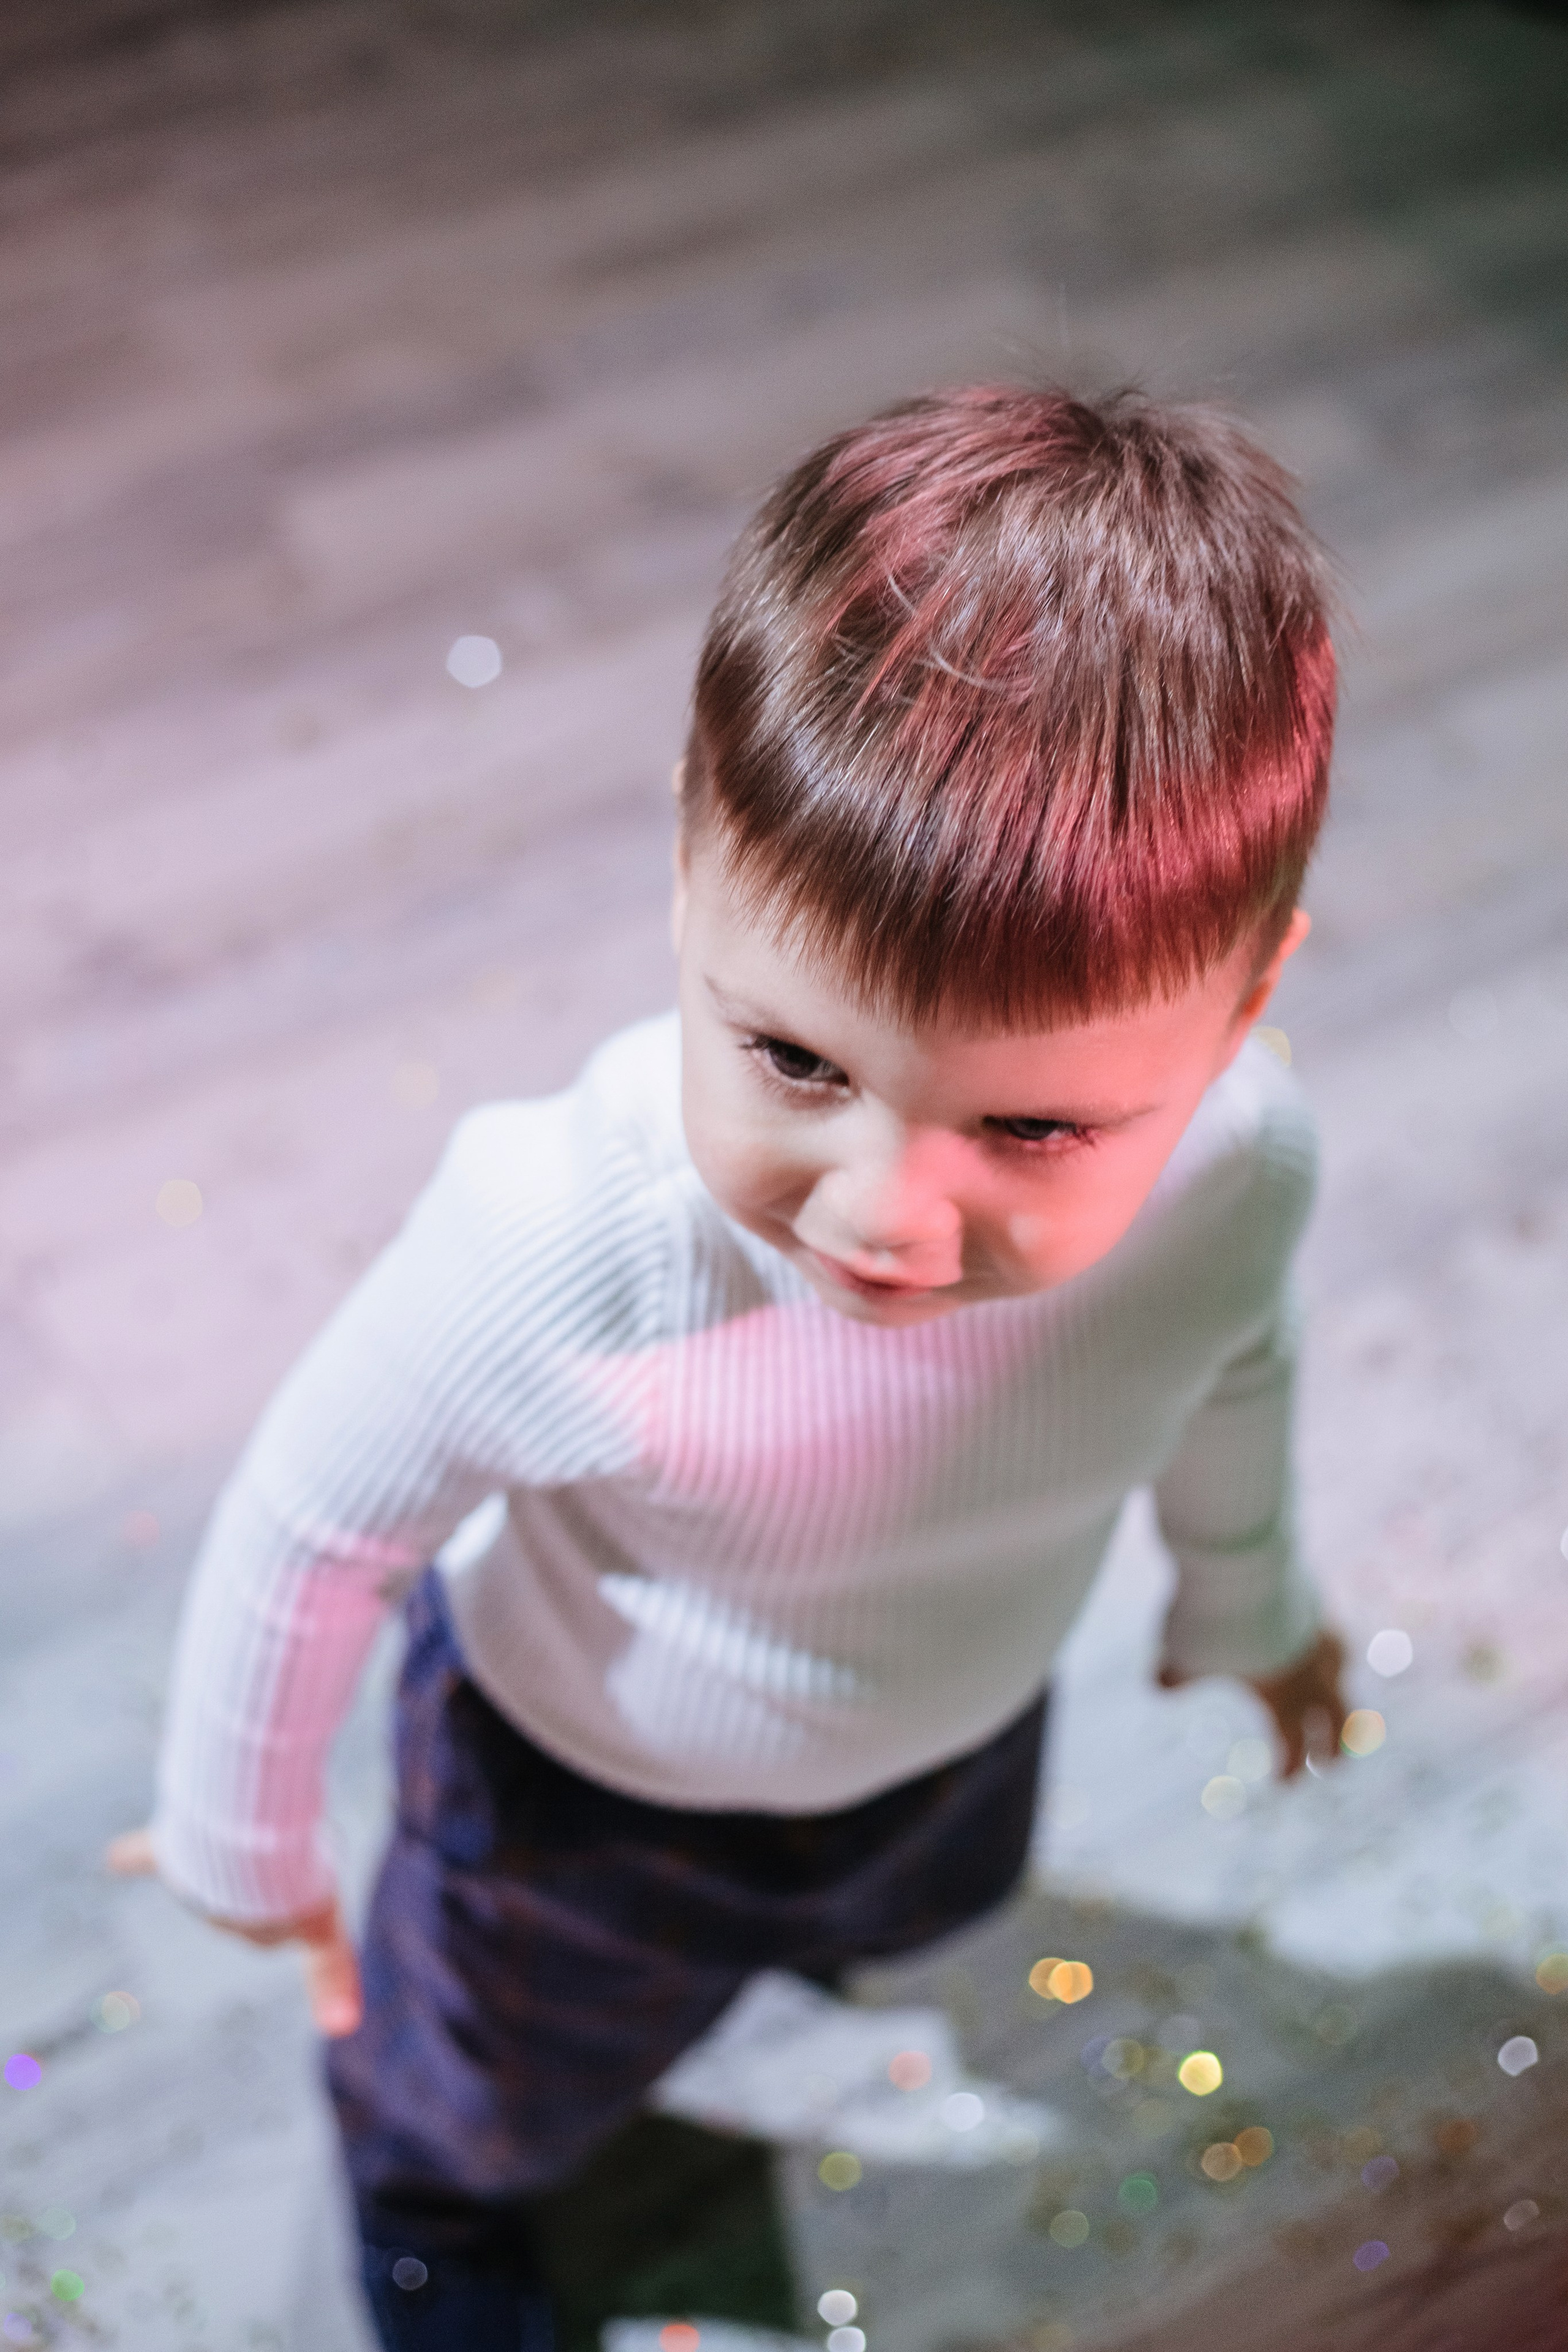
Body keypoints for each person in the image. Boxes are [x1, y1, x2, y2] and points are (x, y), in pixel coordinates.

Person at [111, 384, 1351, 2351]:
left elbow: (1235, 1374)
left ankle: (819, 1938)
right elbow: (312, 1525)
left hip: (948, 1730)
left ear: (1246, 1009)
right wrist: (237, 1836)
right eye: (796, 1064)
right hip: (579, 1808)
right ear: (689, 870)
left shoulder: (1241, 1176)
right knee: (488, 2086)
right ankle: (433, 2202)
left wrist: (1252, 1601)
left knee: (904, 1904)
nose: (890, 1218)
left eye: (1031, 1134)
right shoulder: (559, 1239)